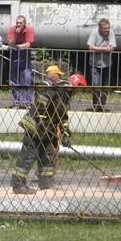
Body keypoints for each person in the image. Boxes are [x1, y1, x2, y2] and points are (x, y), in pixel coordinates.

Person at [11, 65, 75, 194]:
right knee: (29, 155)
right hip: (35, 127)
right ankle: (18, 184)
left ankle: (46, 182)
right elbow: (41, 107)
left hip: (47, 129)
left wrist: (66, 134)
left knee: (47, 155)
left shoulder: (62, 96)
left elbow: (62, 116)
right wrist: (41, 124)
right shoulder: (47, 89)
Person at [87, 18, 116, 112]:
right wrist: (104, 49)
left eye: (108, 28)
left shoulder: (111, 32)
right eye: (105, 28)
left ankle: (102, 106)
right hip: (95, 64)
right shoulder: (94, 33)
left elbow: (112, 47)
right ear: (100, 28)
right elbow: (90, 47)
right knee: (96, 85)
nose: (107, 30)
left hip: (107, 64)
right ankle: (95, 106)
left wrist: (98, 49)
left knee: (106, 86)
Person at [6, 15, 35, 107]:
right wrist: (16, 35)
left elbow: (28, 44)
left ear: (24, 24)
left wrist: (18, 47)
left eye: (20, 23)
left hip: (25, 55)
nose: (18, 25)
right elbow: (10, 44)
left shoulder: (29, 30)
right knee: (13, 79)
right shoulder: (12, 29)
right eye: (17, 23)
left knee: (27, 77)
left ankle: (27, 102)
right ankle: (16, 102)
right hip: (14, 55)